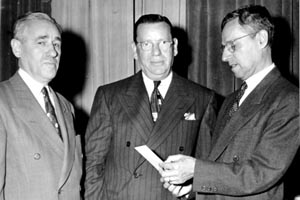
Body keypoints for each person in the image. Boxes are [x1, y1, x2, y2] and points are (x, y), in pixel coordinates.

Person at [160, 4, 299, 200]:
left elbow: (259, 174)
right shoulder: (231, 100)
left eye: (233, 46)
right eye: (223, 48)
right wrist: (192, 186)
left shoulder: (288, 99)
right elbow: (220, 164)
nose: (225, 57)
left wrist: (196, 170)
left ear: (261, 39)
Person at [84, 14, 219, 200]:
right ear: (134, 50)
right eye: (146, 44)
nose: (156, 53)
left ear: (175, 47)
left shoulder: (202, 98)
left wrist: (191, 191)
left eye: (163, 43)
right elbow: (94, 166)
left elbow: (207, 168)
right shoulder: (110, 96)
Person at [0, 12, 82, 199]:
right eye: (41, 42)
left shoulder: (65, 106)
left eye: (56, 44)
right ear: (17, 48)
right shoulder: (2, 100)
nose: (53, 52)